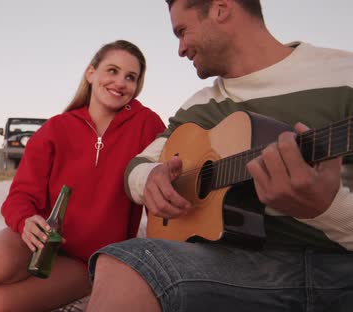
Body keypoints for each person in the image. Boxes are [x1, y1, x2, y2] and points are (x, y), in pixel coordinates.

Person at [86, 1, 353, 312]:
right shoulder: (198, 106)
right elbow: (138, 167)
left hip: (341, 264)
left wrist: (326, 210)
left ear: (221, 9)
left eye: (182, 32)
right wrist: (151, 180)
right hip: (237, 269)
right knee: (124, 263)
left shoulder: (344, 75)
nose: (181, 49)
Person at [0, 39, 166, 311]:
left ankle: (34, 280)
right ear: (91, 73)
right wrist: (25, 221)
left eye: (131, 77)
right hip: (40, 240)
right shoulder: (56, 129)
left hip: (88, 260)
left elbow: (160, 186)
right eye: (112, 70)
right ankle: (1, 270)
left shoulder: (147, 124)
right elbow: (20, 196)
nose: (120, 82)